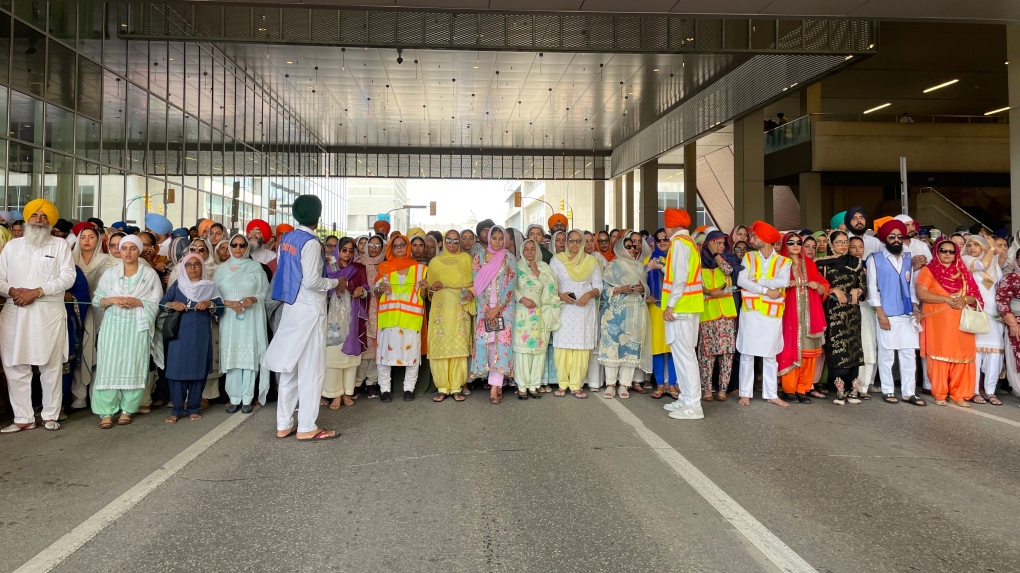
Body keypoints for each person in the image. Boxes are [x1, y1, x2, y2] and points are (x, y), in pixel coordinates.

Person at [263, 195, 342, 441]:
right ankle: (307, 426)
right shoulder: (310, 242)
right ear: (317, 216)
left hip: (291, 309)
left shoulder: (287, 239)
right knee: (311, 370)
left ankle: (284, 424)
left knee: (290, 369)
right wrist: (336, 281)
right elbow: (312, 281)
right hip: (309, 312)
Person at [0, 199, 77, 433]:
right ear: (26, 219)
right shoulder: (13, 246)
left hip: (47, 314)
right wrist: (12, 291)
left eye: (44, 217)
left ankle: (50, 415)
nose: (39, 220)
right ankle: (23, 418)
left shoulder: (59, 246)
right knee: (15, 364)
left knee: (50, 365)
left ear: (51, 221)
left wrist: (37, 291)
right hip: (16, 312)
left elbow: (68, 277)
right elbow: (1, 278)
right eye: (35, 215)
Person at [91, 235, 163, 428]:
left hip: (137, 326)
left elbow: (156, 301)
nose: (128, 252)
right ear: (119, 251)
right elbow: (97, 299)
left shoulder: (149, 275)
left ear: (139, 250)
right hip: (112, 325)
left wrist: (136, 302)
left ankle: (127, 410)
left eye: (133, 248)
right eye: (124, 248)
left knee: (134, 365)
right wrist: (113, 300)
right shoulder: (109, 274)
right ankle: (105, 413)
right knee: (109, 367)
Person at [655, 209, 706, 419]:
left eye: (666, 225)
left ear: (672, 225)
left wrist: (671, 305)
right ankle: (686, 399)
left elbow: (681, 278)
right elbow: (679, 273)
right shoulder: (689, 243)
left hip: (681, 308)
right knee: (682, 356)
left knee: (685, 357)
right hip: (687, 306)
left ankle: (694, 405)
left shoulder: (679, 243)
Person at [868, 219, 925, 406]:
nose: (896, 239)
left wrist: (915, 307)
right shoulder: (874, 259)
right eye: (892, 236)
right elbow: (872, 288)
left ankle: (909, 392)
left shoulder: (908, 258)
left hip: (907, 313)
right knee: (887, 354)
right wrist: (881, 314)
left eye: (899, 236)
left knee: (908, 353)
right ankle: (888, 390)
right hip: (887, 313)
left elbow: (909, 286)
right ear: (885, 238)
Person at [917, 239, 980, 406]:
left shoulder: (963, 272)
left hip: (962, 323)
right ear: (937, 252)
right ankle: (940, 393)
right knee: (940, 356)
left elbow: (975, 295)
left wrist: (965, 300)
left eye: (951, 251)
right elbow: (922, 294)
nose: (947, 254)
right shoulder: (928, 270)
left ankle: (959, 395)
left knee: (962, 355)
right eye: (943, 250)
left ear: (956, 254)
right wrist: (947, 299)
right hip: (939, 324)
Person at [735, 220, 792, 408]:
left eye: (755, 236)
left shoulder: (784, 261)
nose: (752, 239)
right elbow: (742, 281)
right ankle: (745, 393)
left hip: (772, 313)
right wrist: (766, 289)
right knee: (747, 353)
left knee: (770, 355)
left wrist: (757, 280)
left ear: (766, 239)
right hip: (751, 312)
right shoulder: (749, 257)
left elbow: (783, 281)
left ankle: (771, 393)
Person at [162, 253, 224, 423]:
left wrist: (209, 304)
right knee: (176, 370)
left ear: (202, 267)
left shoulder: (210, 286)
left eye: (196, 264)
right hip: (179, 334)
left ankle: (194, 408)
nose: (193, 268)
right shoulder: (178, 285)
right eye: (188, 265)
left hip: (200, 333)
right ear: (183, 268)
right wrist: (173, 304)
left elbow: (220, 309)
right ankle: (176, 409)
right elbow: (162, 303)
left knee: (198, 369)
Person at [214, 234, 270, 414]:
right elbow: (215, 298)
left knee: (250, 358)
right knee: (232, 358)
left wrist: (253, 298)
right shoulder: (220, 270)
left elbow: (266, 293)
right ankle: (234, 398)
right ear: (230, 247)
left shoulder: (256, 268)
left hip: (251, 318)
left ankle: (247, 398)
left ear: (247, 248)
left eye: (242, 245)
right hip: (230, 319)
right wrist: (229, 303)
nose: (238, 248)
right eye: (234, 245)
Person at [776, 232, 829, 404]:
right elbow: (770, 285)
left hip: (809, 314)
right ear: (786, 245)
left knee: (808, 352)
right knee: (791, 349)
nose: (795, 245)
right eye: (791, 242)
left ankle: (802, 388)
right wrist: (785, 284)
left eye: (798, 242)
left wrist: (818, 285)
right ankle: (789, 389)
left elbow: (824, 286)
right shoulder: (780, 263)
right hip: (789, 313)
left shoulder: (810, 264)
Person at [373, 233, 427, 402]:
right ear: (390, 248)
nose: (398, 248)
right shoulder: (383, 267)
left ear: (407, 247)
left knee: (411, 356)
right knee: (384, 357)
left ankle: (409, 389)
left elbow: (424, 295)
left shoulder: (419, 268)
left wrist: (425, 287)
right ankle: (385, 390)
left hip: (410, 319)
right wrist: (379, 289)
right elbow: (376, 291)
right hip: (389, 319)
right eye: (395, 245)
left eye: (402, 245)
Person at [815, 231, 868, 403]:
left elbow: (863, 286)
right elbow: (819, 287)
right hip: (833, 312)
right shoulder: (822, 264)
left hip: (852, 312)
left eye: (845, 242)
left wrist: (857, 290)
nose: (843, 245)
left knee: (853, 348)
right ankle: (839, 389)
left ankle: (853, 388)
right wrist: (833, 290)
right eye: (839, 242)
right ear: (831, 244)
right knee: (837, 349)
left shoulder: (855, 262)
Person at [70, 225, 119, 409]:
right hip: (74, 311)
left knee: (95, 352)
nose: (87, 240)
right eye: (83, 237)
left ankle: (95, 395)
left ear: (98, 240)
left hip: (98, 311)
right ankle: (78, 395)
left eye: (92, 237)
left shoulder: (107, 260)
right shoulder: (69, 259)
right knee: (76, 352)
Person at [599, 231, 651, 398]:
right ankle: (610, 384)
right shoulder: (612, 266)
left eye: (633, 247)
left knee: (630, 348)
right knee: (612, 347)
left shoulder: (640, 267)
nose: (631, 249)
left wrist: (642, 290)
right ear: (620, 248)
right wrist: (619, 289)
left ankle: (624, 384)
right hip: (614, 313)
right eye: (627, 247)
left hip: (634, 311)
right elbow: (603, 290)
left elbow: (646, 289)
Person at [550, 229, 602, 398]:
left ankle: (576, 385)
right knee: (563, 347)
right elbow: (551, 285)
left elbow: (599, 286)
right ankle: (563, 384)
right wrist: (561, 295)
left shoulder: (592, 261)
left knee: (581, 347)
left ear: (583, 243)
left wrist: (588, 295)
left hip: (584, 310)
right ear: (566, 242)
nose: (574, 244)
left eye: (578, 241)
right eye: (571, 240)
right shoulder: (557, 260)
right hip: (565, 309)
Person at [427, 230, 475, 402]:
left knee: (458, 347)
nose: (453, 244)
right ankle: (442, 387)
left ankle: (456, 387)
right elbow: (428, 289)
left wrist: (471, 292)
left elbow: (475, 283)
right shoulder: (435, 262)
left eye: (456, 241)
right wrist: (433, 287)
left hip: (459, 308)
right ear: (444, 241)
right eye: (449, 240)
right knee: (441, 345)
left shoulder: (467, 259)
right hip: (441, 308)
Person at [470, 226, 515, 404]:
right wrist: (487, 307)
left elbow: (511, 284)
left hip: (505, 308)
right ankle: (494, 380)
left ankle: (496, 386)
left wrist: (498, 307)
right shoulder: (478, 258)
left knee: (501, 345)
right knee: (487, 344)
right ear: (489, 239)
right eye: (494, 238)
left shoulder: (509, 258)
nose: (497, 241)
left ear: (505, 240)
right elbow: (477, 284)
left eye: (500, 238)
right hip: (484, 309)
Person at [322, 237, 368, 409]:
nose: (347, 254)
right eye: (344, 250)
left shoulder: (358, 268)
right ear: (337, 251)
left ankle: (347, 392)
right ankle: (335, 394)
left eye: (350, 250)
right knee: (333, 352)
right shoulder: (328, 269)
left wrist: (361, 290)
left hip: (351, 316)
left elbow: (366, 288)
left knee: (350, 353)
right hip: (332, 317)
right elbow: (322, 288)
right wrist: (336, 285)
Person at [513, 238, 561, 400]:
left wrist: (537, 271)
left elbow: (552, 288)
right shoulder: (517, 267)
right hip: (522, 314)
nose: (529, 252)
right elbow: (511, 288)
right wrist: (523, 299)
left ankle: (534, 386)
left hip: (541, 314)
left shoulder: (544, 267)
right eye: (526, 249)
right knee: (522, 352)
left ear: (537, 251)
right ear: (521, 251)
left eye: (532, 249)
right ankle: (522, 386)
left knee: (539, 351)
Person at [697, 230, 739, 402]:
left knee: (727, 353)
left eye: (723, 243)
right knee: (707, 354)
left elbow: (730, 273)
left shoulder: (728, 260)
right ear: (708, 243)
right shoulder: (699, 263)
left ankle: (722, 390)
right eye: (717, 243)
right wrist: (710, 293)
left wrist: (716, 254)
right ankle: (707, 390)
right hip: (708, 314)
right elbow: (695, 287)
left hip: (726, 315)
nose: (721, 246)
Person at [963, 235, 1004, 404]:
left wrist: (1001, 311)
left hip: (993, 314)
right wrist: (992, 249)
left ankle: (990, 391)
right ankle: (973, 391)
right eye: (970, 244)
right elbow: (983, 265)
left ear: (983, 247)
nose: (972, 247)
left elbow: (999, 287)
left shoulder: (994, 264)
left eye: (977, 245)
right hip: (976, 312)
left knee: (994, 353)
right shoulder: (966, 260)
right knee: (976, 353)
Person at [356, 235, 385, 397]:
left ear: (382, 247)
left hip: (381, 307)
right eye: (371, 245)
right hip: (362, 307)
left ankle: (372, 381)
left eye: (377, 245)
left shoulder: (385, 264)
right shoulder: (359, 263)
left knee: (377, 344)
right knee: (363, 342)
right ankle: (358, 381)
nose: (374, 248)